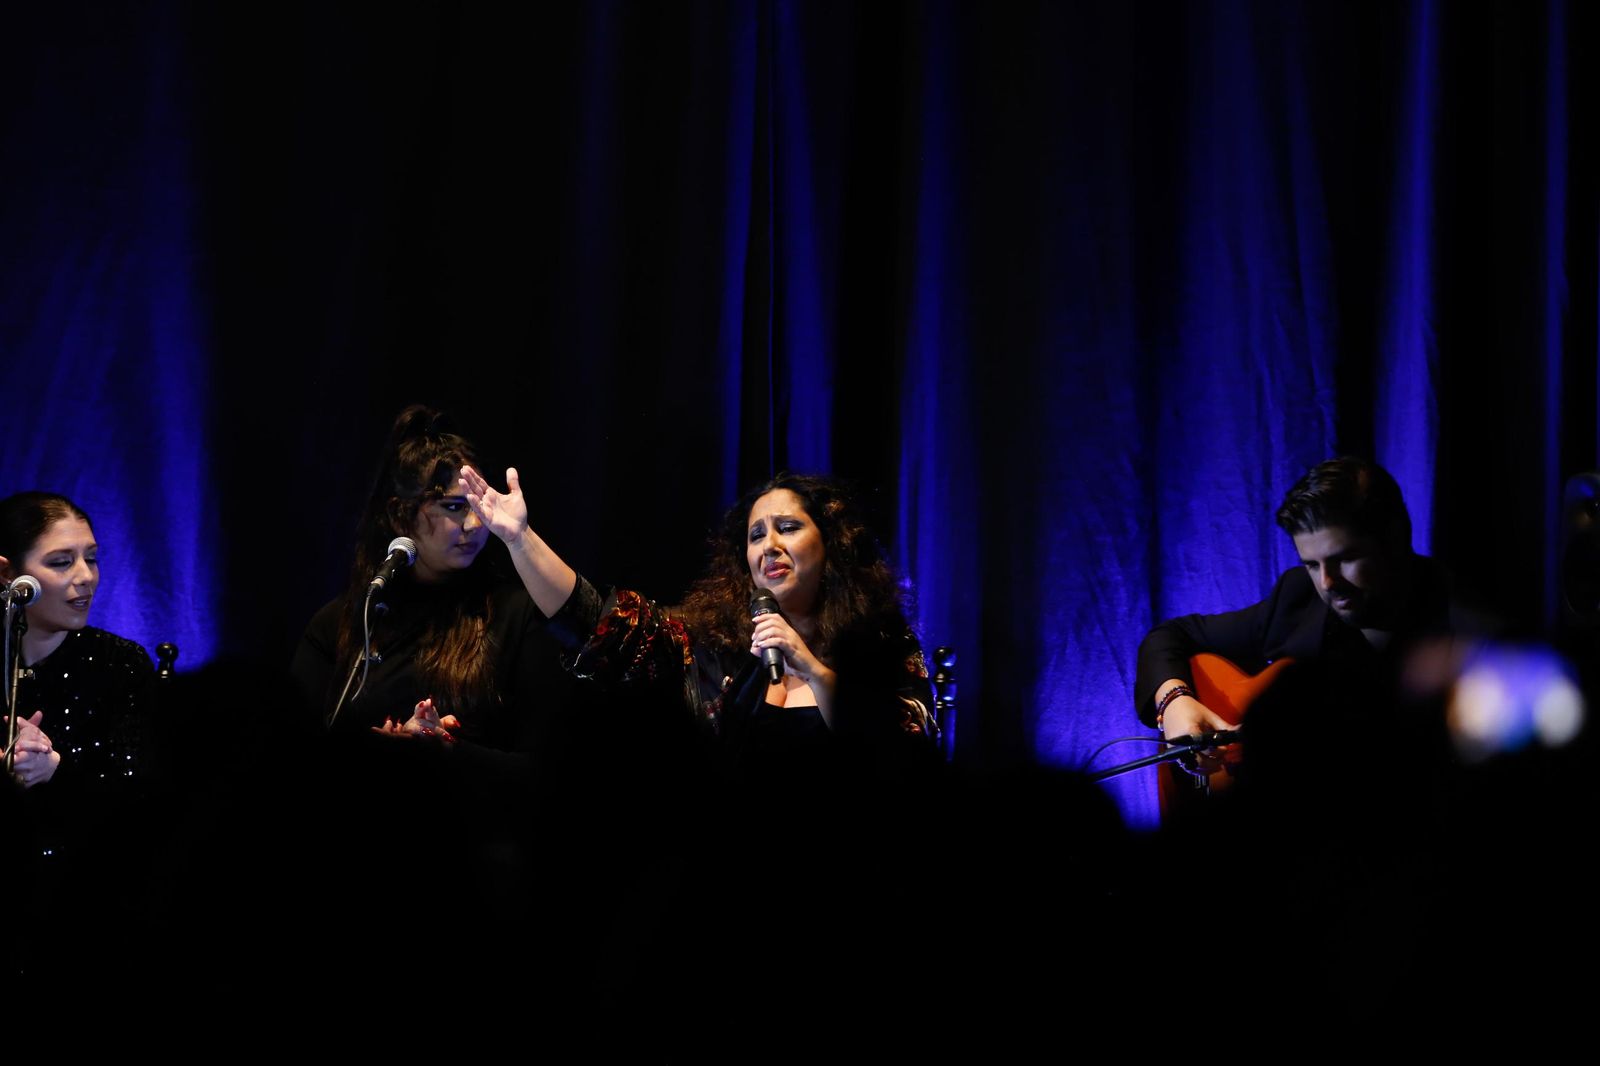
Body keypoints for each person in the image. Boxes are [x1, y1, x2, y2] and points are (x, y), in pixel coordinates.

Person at [459, 465, 938, 756]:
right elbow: (597, 622)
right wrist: (519, 540)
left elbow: (903, 746)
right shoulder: (718, 650)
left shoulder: (876, 642)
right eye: (755, 536)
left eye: (788, 527)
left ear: (830, 545)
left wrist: (811, 669)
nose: (768, 546)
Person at [290, 405, 567, 752]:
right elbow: (293, 753)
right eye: (453, 507)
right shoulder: (347, 623)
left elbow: (545, 767)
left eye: (479, 505)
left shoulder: (517, 614)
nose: (475, 523)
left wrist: (448, 750)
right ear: (398, 514)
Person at [1136, 456, 1452, 741]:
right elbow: (1171, 636)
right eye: (1312, 564)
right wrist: (1174, 701)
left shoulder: (1465, 629)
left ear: (1396, 539)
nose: (1327, 582)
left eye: (1345, 559)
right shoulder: (1298, 597)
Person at [0, 490, 155, 979]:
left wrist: (55, 770)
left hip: (84, 898)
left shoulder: (119, 663)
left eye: (91, 558)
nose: (85, 577)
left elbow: (143, 798)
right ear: (9, 574)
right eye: (62, 562)